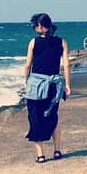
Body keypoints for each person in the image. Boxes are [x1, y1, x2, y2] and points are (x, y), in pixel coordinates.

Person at [23, 13, 71, 163]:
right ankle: (57, 150)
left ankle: (40, 155)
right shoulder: (62, 42)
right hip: (54, 87)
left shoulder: (33, 43)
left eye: (36, 25)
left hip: (36, 87)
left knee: (35, 119)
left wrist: (27, 82)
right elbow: (66, 65)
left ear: (41, 26)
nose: (36, 28)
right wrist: (68, 85)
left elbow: (27, 65)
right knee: (52, 118)